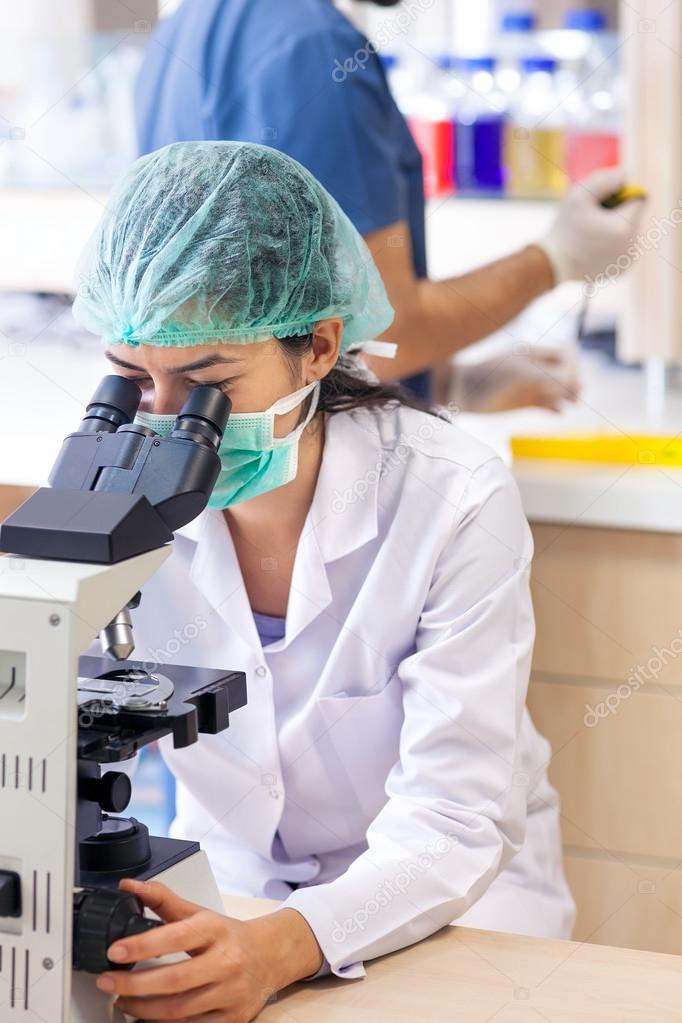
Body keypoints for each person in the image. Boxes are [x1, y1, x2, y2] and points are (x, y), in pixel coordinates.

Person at [73, 141, 574, 1022]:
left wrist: (281, 948)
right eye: (131, 379)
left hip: (458, 905)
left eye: (207, 384)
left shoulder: (451, 495)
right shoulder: (106, 486)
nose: (162, 422)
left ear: (319, 348)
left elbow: (453, 821)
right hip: (231, 898)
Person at [135, 0, 644, 408]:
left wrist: (446, 385)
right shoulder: (315, 48)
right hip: (330, 473)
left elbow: (272, 319)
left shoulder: (179, 34)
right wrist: (555, 259)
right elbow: (385, 335)